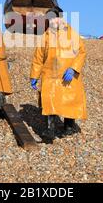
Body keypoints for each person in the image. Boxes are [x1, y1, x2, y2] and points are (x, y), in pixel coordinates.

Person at [30, 8, 87, 140]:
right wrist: (34, 75)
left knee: (69, 101)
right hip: (49, 75)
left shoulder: (70, 32)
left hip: (67, 75)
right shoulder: (46, 36)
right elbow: (38, 57)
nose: (51, 21)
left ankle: (69, 126)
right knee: (49, 101)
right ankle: (50, 130)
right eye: (48, 19)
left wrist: (73, 68)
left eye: (53, 18)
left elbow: (81, 51)